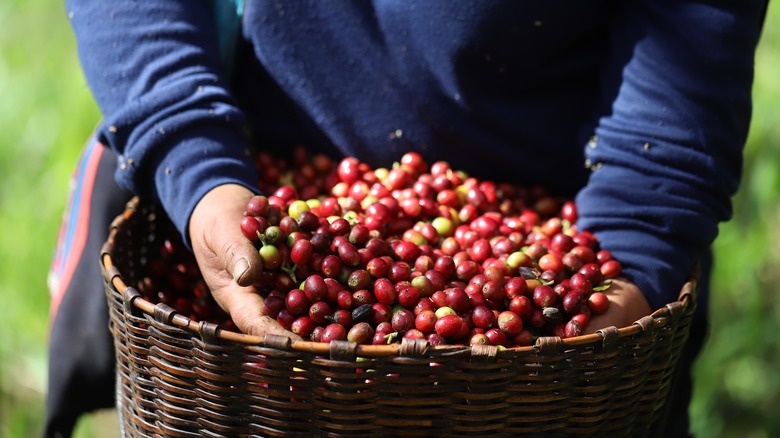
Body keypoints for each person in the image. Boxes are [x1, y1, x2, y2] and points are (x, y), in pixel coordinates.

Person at [47, 1, 768, 436]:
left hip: (574, 227)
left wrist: (633, 256)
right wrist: (195, 169)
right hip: (247, 177)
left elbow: (684, 65)